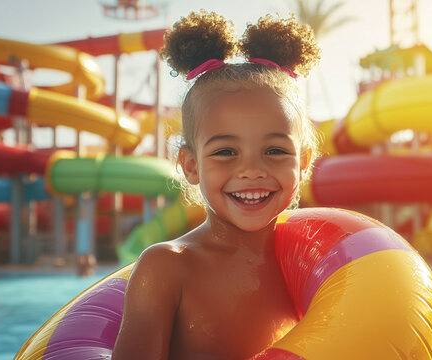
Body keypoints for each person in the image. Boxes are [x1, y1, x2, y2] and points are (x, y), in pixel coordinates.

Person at [111, 10, 322, 360]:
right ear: (191, 166)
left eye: (274, 150)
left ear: (302, 163)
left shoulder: (314, 263)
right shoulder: (167, 268)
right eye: (226, 151)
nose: (252, 170)